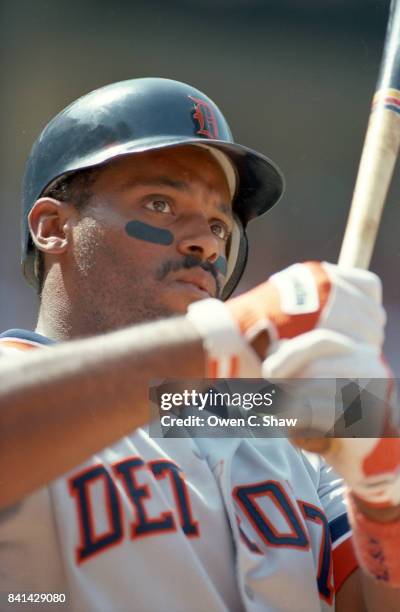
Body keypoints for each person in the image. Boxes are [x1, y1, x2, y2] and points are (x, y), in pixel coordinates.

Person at [0, 77, 399, 612]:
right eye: (160, 203)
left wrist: (383, 506)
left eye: (219, 222)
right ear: (53, 227)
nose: (207, 241)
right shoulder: (17, 381)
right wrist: (231, 334)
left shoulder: (281, 413)